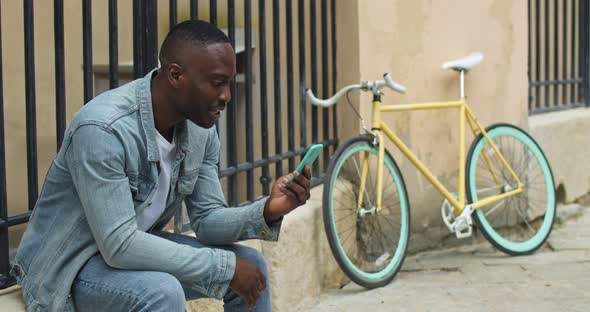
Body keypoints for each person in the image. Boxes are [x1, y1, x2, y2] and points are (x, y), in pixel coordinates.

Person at [12, 20, 311, 312]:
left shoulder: (200, 129)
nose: (227, 97)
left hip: (124, 254)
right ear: (176, 75)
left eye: (229, 83)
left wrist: (268, 210)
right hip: (68, 266)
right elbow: (119, 244)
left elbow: (207, 218)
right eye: (217, 83)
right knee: (161, 292)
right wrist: (224, 267)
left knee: (253, 266)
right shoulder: (104, 130)